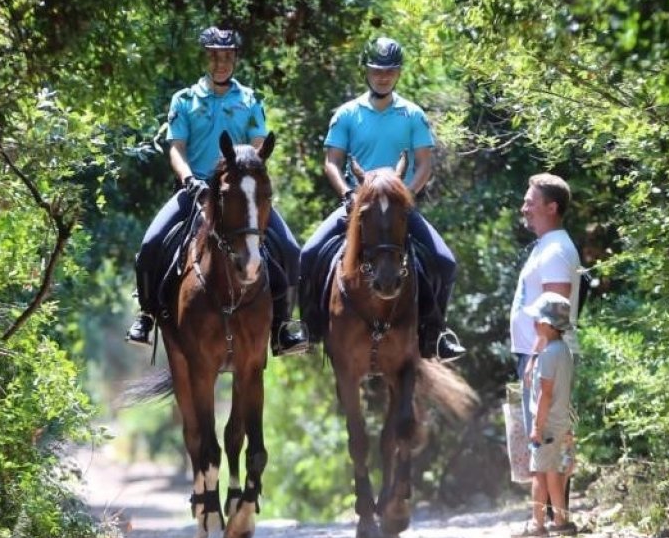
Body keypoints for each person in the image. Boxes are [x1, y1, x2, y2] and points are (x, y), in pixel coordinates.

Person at [126, 26, 309, 357]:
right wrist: (188, 180)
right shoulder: (184, 100)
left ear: (235, 58)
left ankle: (282, 327)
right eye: (214, 55)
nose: (221, 62)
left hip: (239, 192)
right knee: (151, 245)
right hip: (195, 190)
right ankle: (147, 317)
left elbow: (258, 145)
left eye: (226, 56)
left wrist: (245, 172)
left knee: (291, 249)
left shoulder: (251, 100)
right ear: (206, 57)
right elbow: (176, 147)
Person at [299, 37, 463, 362]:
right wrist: (347, 194)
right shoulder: (346, 114)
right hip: (358, 206)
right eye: (376, 70)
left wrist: (408, 195)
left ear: (398, 72)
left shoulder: (413, 115)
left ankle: (435, 335)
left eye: (389, 71)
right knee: (307, 254)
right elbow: (332, 161)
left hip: (399, 208)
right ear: (367, 71)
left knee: (445, 262)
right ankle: (309, 329)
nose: (382, 77)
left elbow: (425, 162)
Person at [510, 173, 581, 440]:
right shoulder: (546, 246)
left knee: (548, 450)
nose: (524, 208)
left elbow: (556, 310)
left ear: (552, 208)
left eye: (530, 203)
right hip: (536, 356)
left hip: (544, 359)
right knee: (540, 453)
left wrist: (537, 358)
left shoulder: (556, 250)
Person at [513, 292, 577, 538]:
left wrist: (537, 428)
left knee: (541, 474)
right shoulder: (563, 350)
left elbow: (545, 395)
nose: (533, 324)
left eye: (537, 320)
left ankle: (540, 523)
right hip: (560, 422)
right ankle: (558, 520)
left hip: (547, 425)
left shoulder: (549, 354)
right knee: (553, 473)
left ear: (548, 325)